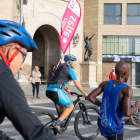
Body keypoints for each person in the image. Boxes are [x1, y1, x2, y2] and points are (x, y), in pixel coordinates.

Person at [0, 20, 57, 140]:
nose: (21, 66)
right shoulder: (2, 74)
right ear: (11, 52)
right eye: (23, 57)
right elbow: (34, 131)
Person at [87, 62, 140, 140]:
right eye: (129, 73)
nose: (129, 75)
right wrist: (136, 106)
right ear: (125, 73)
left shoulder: (105, 83)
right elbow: (127, 113)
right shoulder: (127, 89)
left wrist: (103, 105)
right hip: (115, 128)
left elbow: (90, 97)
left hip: (103, 124)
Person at [46, 54, 88, 134]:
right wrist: (86, 94)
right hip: (56, 91)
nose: (76, 63)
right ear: (70, 62)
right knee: (70, 106)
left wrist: (66, 88)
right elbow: (77, 84)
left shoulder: (59, 67)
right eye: (75, 61)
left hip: (48, 90)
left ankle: (58, 121)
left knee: (61, 105)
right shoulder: (70, 70)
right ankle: (57, 123)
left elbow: (57, 80)